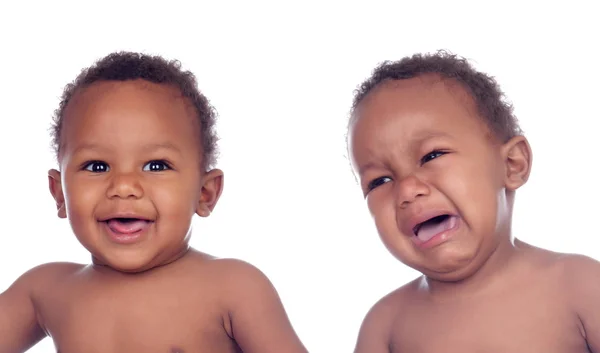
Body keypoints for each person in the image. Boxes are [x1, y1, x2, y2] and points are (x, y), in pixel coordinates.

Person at [0, 51, 308, 353]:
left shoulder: (234, 289)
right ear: (60, 193)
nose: (123, 186)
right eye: (97, 166)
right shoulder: (45, 291)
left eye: (156, 165)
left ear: (205, 193)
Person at [348, 50, 600, 352]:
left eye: (432, 156)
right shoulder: (385, 325)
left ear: (511, 164)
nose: (407, 190)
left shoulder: (578, 285)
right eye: (380, 181)